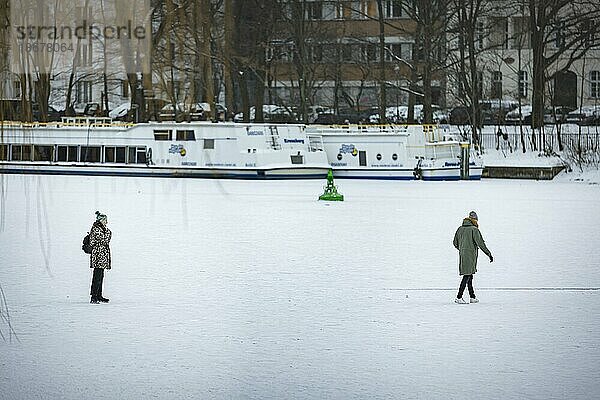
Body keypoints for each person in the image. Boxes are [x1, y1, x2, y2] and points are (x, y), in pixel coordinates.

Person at [453, 211, 493, 304]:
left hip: (463, 254)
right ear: (474, 220)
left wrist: (462, 249)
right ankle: (459, 297)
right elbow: (481, 243)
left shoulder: (460, 229)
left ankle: (472, 296)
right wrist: (489, 254)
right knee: (467, 275)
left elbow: (455, 242)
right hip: (470, 255)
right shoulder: (474, 230)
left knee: (469, 275)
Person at [89, 211, 112, 304]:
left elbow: (107, 238)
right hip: (98, 256)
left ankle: (99, 295)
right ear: (101, 220)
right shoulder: (96, 229)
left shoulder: (104, 229)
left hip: (103, 256)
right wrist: (107, 234)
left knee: (101, 276)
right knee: (97, 276)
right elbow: (102, 240)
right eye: (105, 220)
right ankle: (93, 297)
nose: (107, 222)